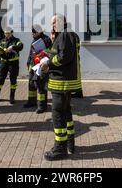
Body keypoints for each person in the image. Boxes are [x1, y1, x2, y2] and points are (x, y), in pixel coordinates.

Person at [41, 14, 81, 161]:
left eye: (53, 22)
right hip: (64, 81)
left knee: (58, 114)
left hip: (61, 82)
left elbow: (63, 57)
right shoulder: (66, 35)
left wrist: (48, 64)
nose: (51, 26)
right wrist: (52, 43)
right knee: (66, 112)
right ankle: (70, 143)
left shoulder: (65, 35)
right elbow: (60, 53)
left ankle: (60, 148)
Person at [24, 25, 52, 113]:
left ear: (39, 32)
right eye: (32, 32)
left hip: (41, 66)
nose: (32, 34)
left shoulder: (47, 39)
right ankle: (32, 101)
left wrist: (40, 53)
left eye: (34, 33)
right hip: (33, 65)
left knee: (41, 85)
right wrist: (28, 63)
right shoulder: (34, 39)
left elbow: (50, 52)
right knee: (31, 84)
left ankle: (42, 106)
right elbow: (30, 53)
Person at [0, 27, 23, 104]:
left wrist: (12, 47)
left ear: (12, 33)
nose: (7, 35)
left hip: (13, 63)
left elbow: (20, 47)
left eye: (8, 33)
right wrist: (3, 53)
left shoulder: (16, 40)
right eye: (6, 33)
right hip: (4, 63)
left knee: (13, 79)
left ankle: (12, 97)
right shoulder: (2, 41)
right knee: (0, 78)